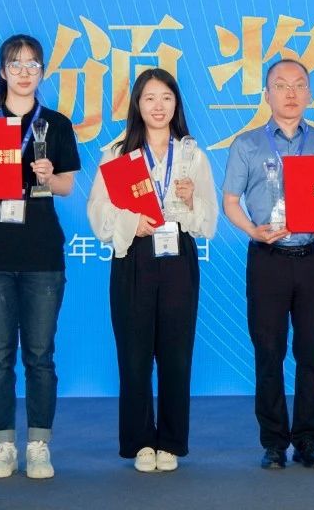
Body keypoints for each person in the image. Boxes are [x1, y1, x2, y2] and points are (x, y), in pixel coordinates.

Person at [222, 59, 314, 470]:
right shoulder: (247, 145)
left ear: (310, 93)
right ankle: (274, 443)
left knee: (311, 353)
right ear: (267, 95)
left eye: (299, 85)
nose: (291, 93)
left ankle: (309, 442)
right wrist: (252, 230)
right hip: (268, 260)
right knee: (269, 353)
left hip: (312, 259)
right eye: (281, 86)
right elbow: (230, 201)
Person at [0, 34, 80, 479]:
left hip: (42, 252)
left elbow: (67, 186)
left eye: (32, 65)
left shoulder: (56, 124)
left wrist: (50, 177)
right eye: (16, 64)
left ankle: (39, 444)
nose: (24, 72)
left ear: (42, 72)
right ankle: (3, 444)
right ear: (2, 70)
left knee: (40, 355)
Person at [87, 69, 217, 473]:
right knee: (134, 355)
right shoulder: (117, 153)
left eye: (166, 98)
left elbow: (209, 220)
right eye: (149, 98)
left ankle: (172, 442)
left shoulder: (192, 155)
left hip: (178, 255)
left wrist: (192, 200)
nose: (158, 106)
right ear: (137, 105)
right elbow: (97, 209)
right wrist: (131, 222)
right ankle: (141, 441)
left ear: (176, 104)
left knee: (177, 355)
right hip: (134, 256)